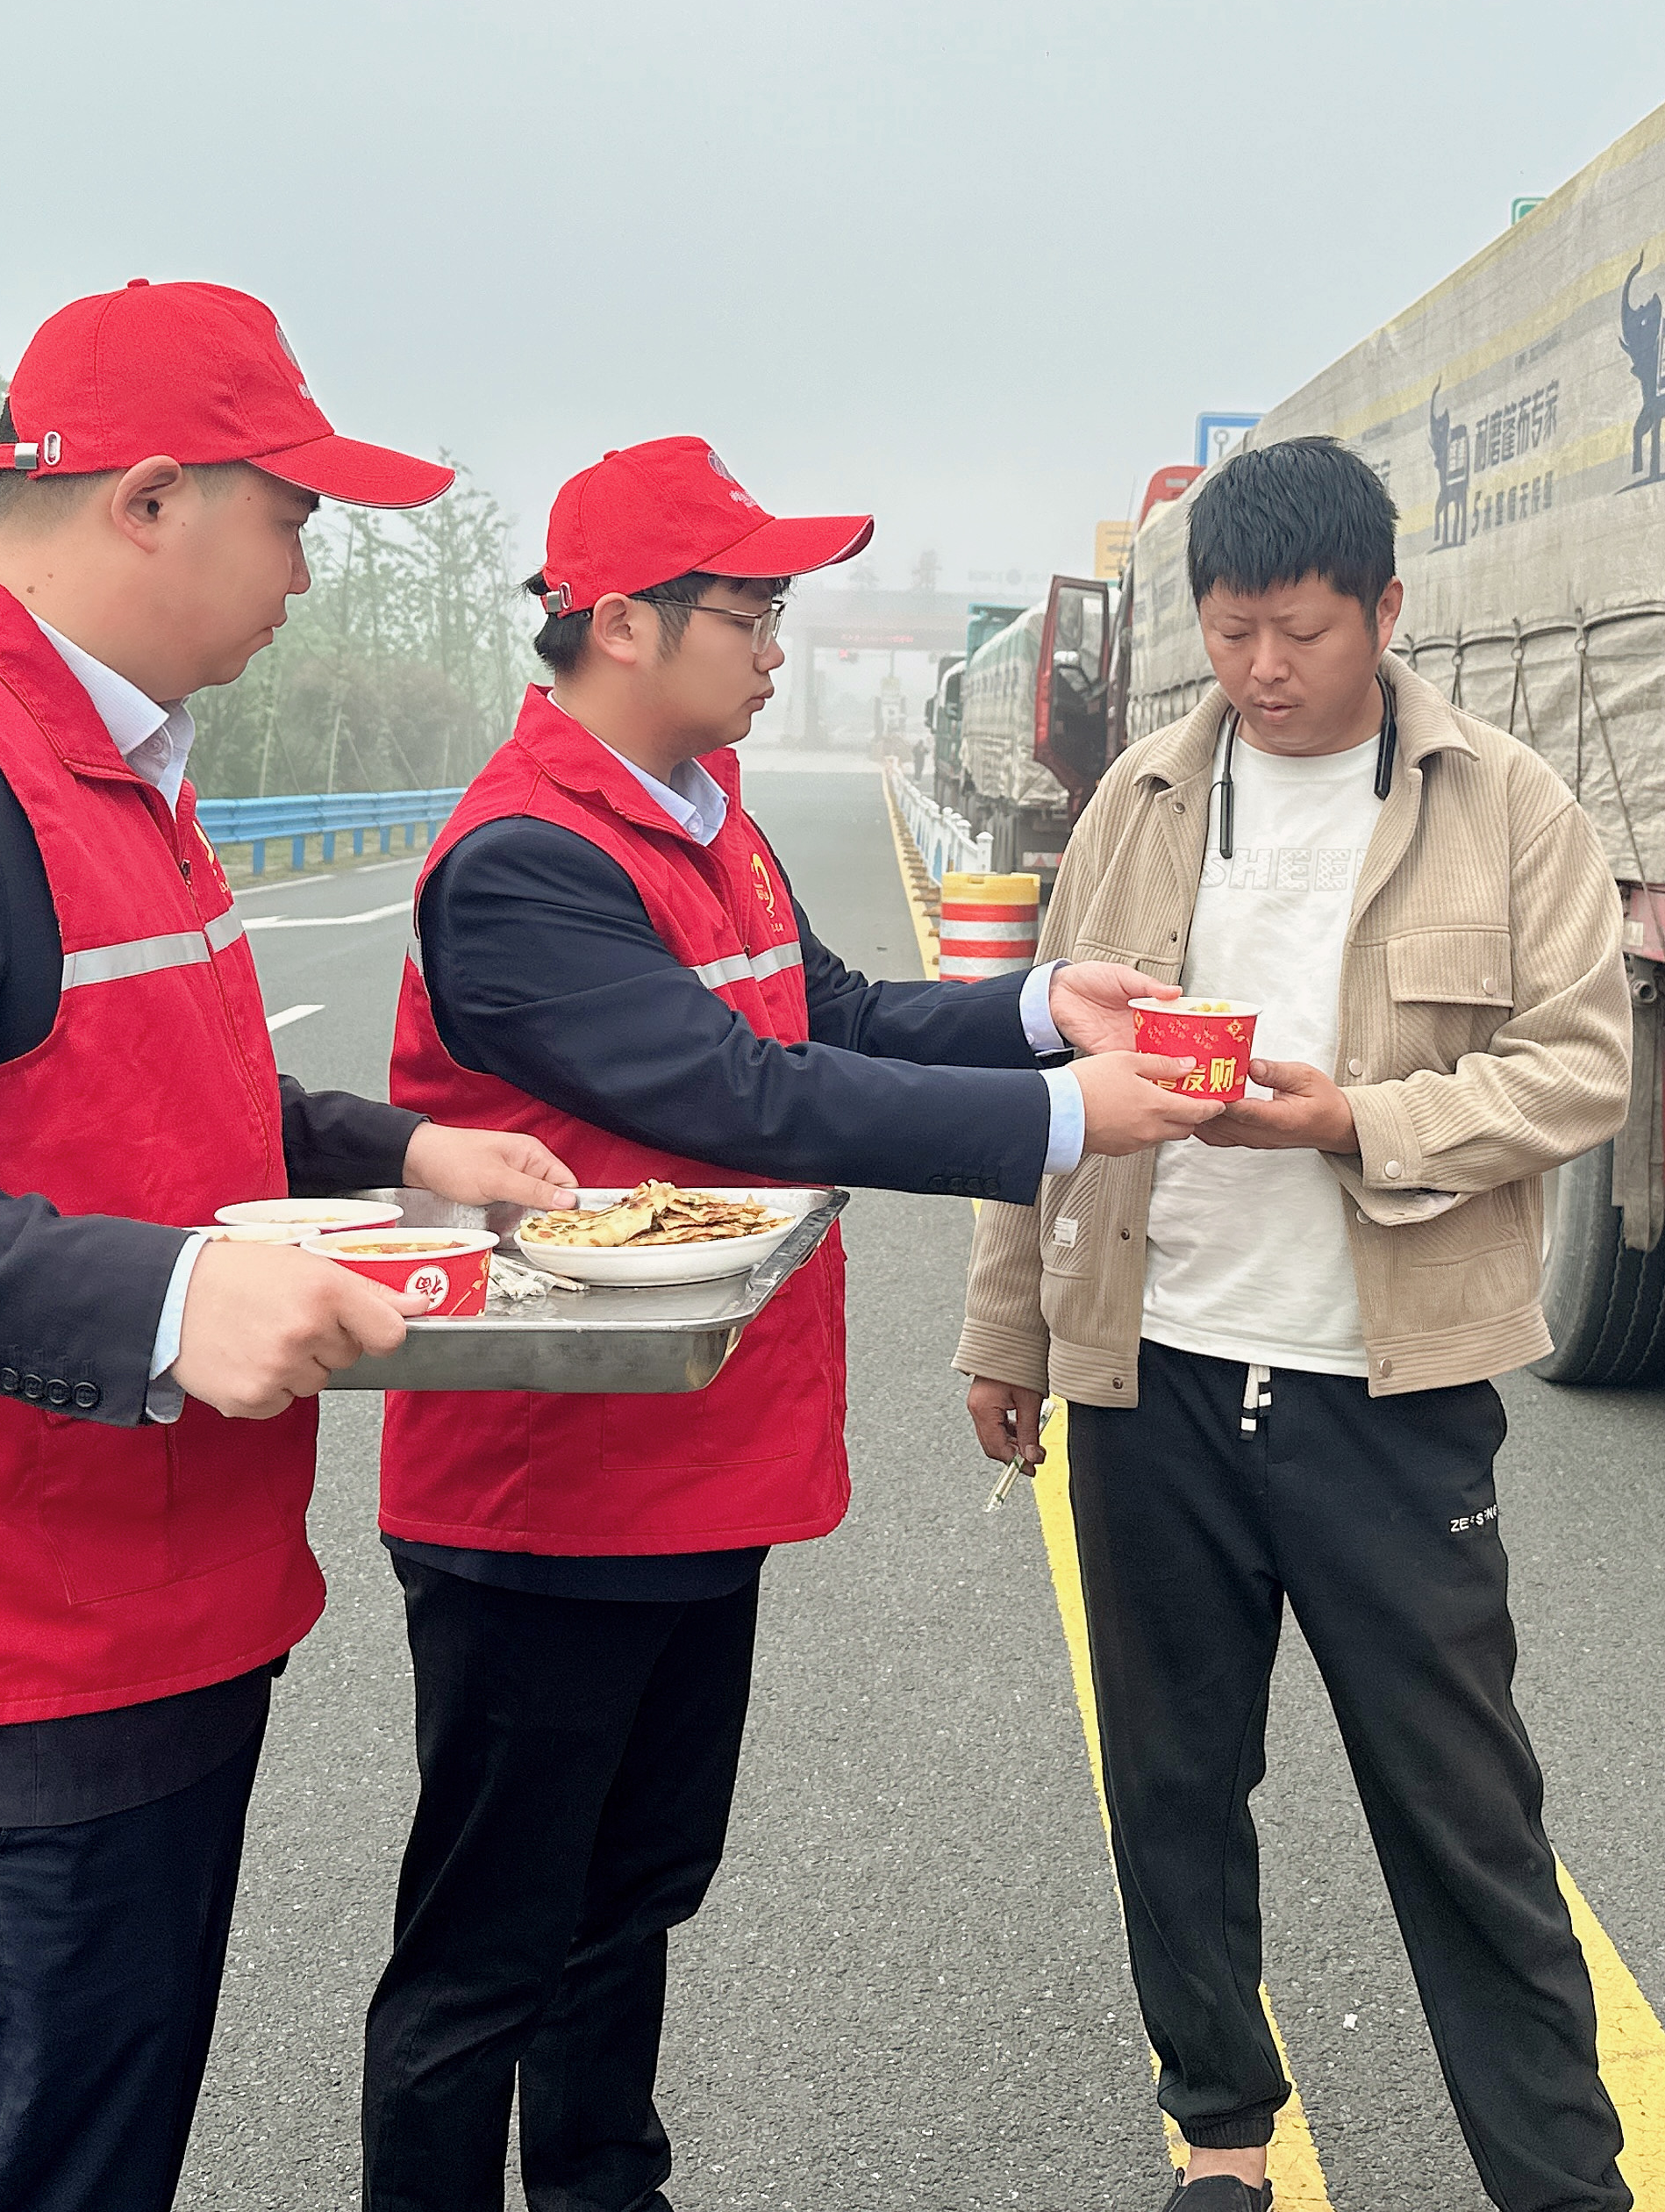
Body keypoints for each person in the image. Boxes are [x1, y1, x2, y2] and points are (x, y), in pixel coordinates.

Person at [0, 277, 575, 2212]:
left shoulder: (104, 757)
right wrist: (167, 1297)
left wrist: (406, 1149)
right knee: (32, 2159)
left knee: (98, 2139)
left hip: (138, 1602)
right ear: (150, 498)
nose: (309, 574)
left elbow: (149, 1086)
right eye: (294, 517)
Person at [364, 434, 1221, 2212]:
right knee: (489, 1948)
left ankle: (606, 2190)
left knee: (632, 1896)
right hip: (550, 1488)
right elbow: (739, 1095)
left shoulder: (705, 818)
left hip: (694, 1456)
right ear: (621, 624)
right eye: (748, 613)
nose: (776, 647)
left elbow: (829, 1016)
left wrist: (1044, 1010)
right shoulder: (526, 862)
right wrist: (1059, 1122)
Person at [957, 438, 1638, 2212]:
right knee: (1174, 1787)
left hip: (1384, 1391)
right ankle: (1222, 2137)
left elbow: (1581, 1067)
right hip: (1155, 1368)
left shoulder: (1505, 804)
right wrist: (1008, 1327)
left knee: (1463, 1813)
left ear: (1386, 611)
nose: (1266, 669)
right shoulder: (1139, 802)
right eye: (1233, 632)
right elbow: (1041, 1084)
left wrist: (1358, 1122)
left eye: (1305, 632)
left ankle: (1563, 2181)